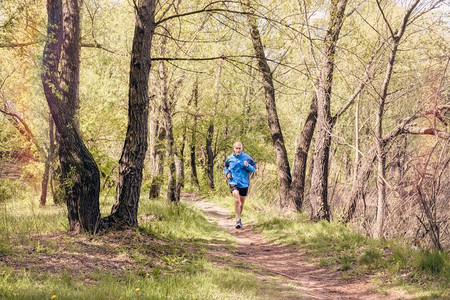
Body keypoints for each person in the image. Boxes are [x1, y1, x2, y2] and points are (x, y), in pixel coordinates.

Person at [223, 141, 256, 229]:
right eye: (236, 148)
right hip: (233, 182)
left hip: (244, 183)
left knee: (241, 203)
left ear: (242, 148)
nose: (238, 150)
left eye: (239, 148)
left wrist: (248, 165)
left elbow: (254, 169)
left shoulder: (247, 158)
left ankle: (239, 218)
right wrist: (227, 173)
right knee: (237, 200)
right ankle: (238, 220)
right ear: (234, 149)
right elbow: (225, 167)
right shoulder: (230, 158)